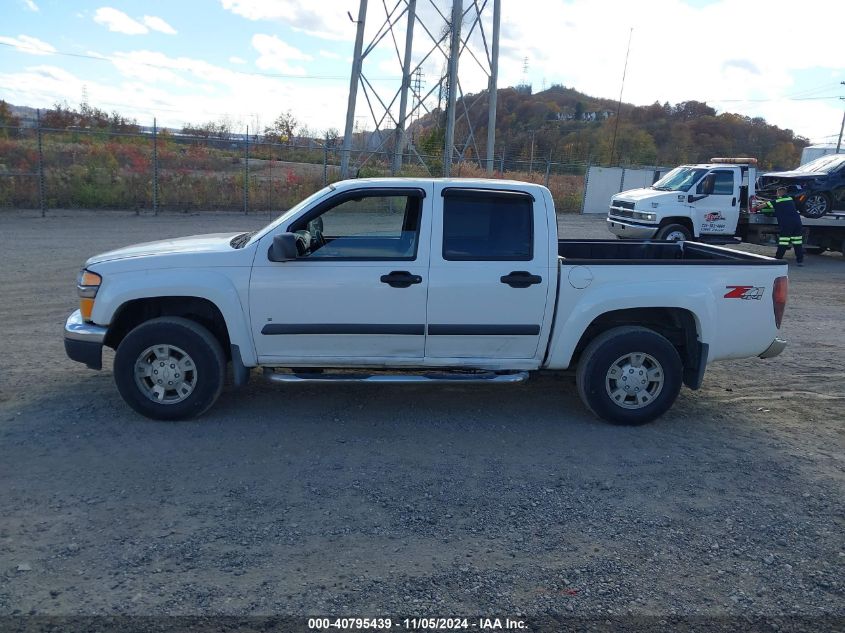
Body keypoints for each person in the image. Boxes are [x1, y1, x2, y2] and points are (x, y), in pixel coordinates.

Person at [757, 186, 804, 266]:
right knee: (797, 243)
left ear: (779, 193)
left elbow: (762, 206)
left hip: (787, 224)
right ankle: (800, 261)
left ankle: (778, 258)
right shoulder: (790, 199)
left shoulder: (777, 201)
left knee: (783, 242)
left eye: (777, 193)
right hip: (797, 223)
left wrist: (755, 207)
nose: (776, 194)